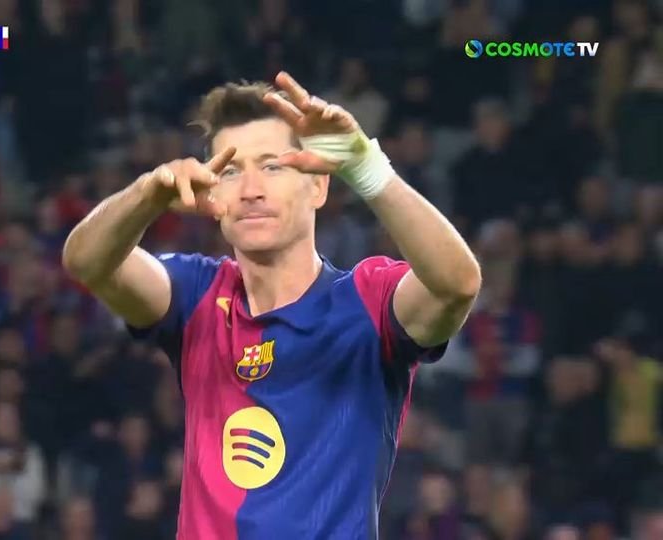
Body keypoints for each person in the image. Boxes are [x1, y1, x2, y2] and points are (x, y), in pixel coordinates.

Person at [62, 71, 480, 538]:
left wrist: (368, 169)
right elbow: (87, 262)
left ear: (318, 187)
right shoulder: (197, 295)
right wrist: (146, 195)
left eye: (273, 166)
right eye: (230, 171)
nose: (250, 189)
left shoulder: (368, 302)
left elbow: (457, 285)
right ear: (213, 194)